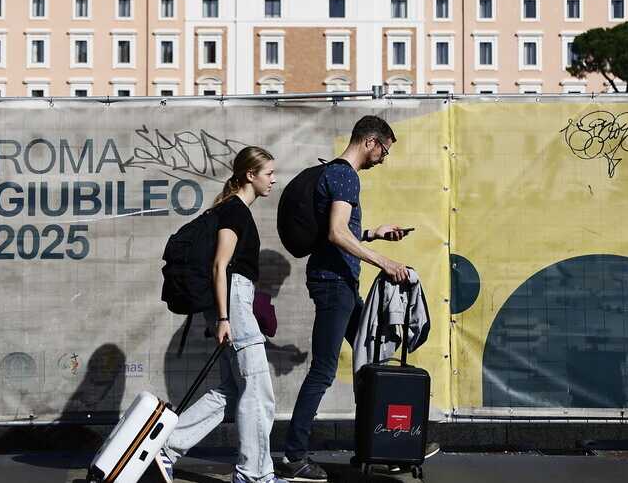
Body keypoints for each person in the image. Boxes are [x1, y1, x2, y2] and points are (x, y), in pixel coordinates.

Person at [276, 116, 435, 482]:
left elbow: (341, 232)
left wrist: (373, 234)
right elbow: (335, 234)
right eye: (384, 151)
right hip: (335, 284)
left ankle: (390, 443)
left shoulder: (334, 173)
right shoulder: (346, 175)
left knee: (373, 360)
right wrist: (384, 261)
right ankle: (295, 456)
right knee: (325, 369)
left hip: (338, 281)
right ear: (370, 142)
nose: (383, 159)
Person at [157, 146, 288, 483]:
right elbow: (220, 265)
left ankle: (166, 447)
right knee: (258, 392)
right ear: (250, 175)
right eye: (269, 173)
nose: (274, 179)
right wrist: (226, 317)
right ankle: (254, 474)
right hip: (234, 302)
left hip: (232, 302)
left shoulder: (232, 209)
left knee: (230, 390)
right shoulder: (235, 212)